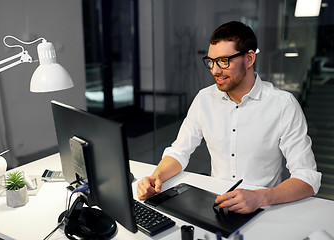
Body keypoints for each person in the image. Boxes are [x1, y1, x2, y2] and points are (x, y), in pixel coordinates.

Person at [137, 21, 321, 214]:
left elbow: (307, 177)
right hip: (216, 206)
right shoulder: (204, 99)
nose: (215, 70)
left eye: (224, 61)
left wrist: (260, 197)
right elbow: (179, 152)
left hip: (264, 208)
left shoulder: (283, 104)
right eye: (211, 61)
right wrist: (155, 176)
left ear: (249, 59)